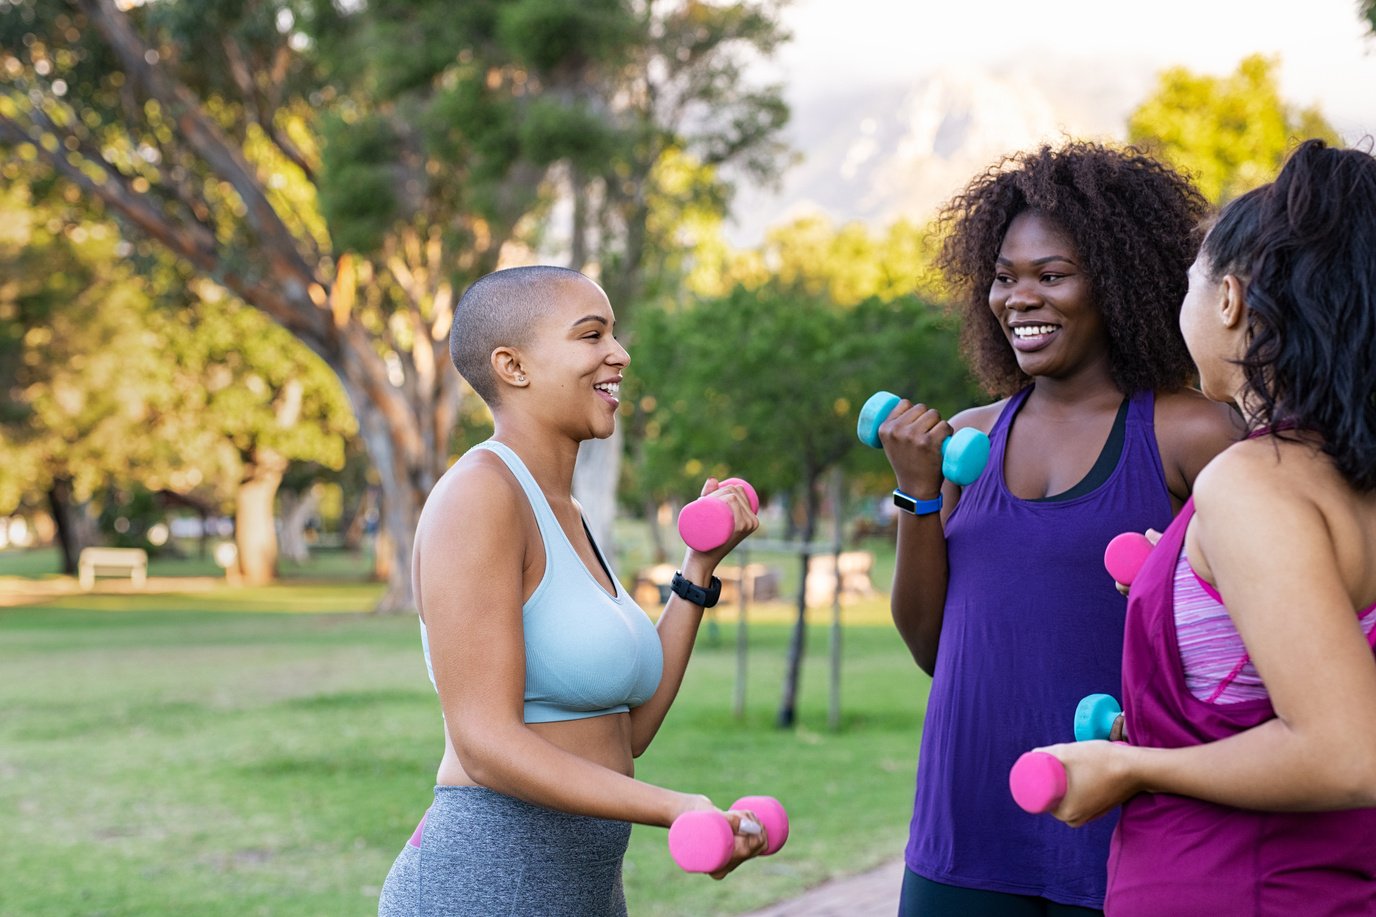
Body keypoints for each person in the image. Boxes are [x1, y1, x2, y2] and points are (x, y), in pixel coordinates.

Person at [876, 142, 1242, 915]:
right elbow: (931, 648)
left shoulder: (1192, 433)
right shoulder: (965, 441)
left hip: (1124, 831)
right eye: (1004, 277)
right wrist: (917, 495)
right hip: (965, 830)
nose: (1019, 299)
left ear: (1116, 282)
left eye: (1051, 275)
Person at [1032, 140, 1376, 914]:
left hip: (1230, 887)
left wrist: (1135, 766)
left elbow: (1348, 750)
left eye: (1190, 279)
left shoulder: (1254, 483)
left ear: (1229, 299)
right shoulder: (1342, 477)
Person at [377, 265, 765, 917]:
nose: (619, 353)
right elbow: (485, 744)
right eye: (591, 335)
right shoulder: (479, 497)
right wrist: (676, 808)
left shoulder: (569, 511)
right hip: (483, 885)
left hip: (583, 889)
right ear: (513, 365)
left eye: (612, 333)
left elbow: (626, 731)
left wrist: (699, 567)